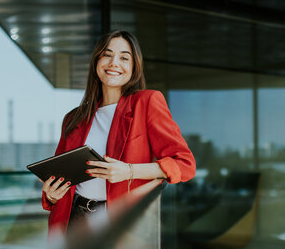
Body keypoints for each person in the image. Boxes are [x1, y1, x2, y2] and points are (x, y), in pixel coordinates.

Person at [41, 30, 196, 236]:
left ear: (134, 67)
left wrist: (129, 171)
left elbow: (185, 164)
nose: (114, 62)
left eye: (124, 57)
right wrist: (52, 195)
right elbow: (60, 176)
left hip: (122, 224)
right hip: (74, 220)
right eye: (107, 54)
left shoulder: (147, 102)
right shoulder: (73, 118)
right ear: (97, 61)